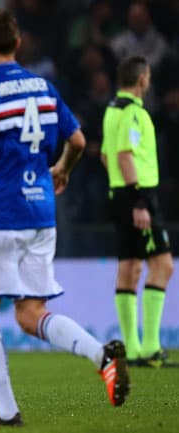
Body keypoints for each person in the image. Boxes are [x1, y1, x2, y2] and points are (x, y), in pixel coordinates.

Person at [0, 9, 130, 428]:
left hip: (2, 212)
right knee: (28, 311)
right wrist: (63, 170)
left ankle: (6, 414)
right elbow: (77, 140)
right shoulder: (44, 87)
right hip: (42, 212)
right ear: (18, 44)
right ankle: (101, 355)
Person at [100, 55, 175, 368]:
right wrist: (140, 200)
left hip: (120, 194)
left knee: (130, 267)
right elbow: (123, 156)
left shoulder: (112, 110)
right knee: (163, 265)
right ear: (142, 78)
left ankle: (131, 350)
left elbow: (105, 156)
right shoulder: (132, 113)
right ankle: (150, 347)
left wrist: (121, 190)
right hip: (137, 196)